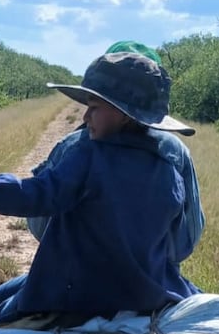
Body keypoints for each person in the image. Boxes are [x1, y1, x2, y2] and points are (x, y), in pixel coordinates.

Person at [0, 51, 201, 328]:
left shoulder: (88, 154)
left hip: (75, 295)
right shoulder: (168, 167)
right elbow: (180, 242)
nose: (86, 117)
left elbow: (34, 195)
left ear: (124, 115)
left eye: (94, 107)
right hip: (152, 296)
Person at [27, 40, 204, 260]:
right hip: (157, 284)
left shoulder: (71, 146)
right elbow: (189, 235)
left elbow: (39, 224)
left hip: (73, 277)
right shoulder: (177, 153)